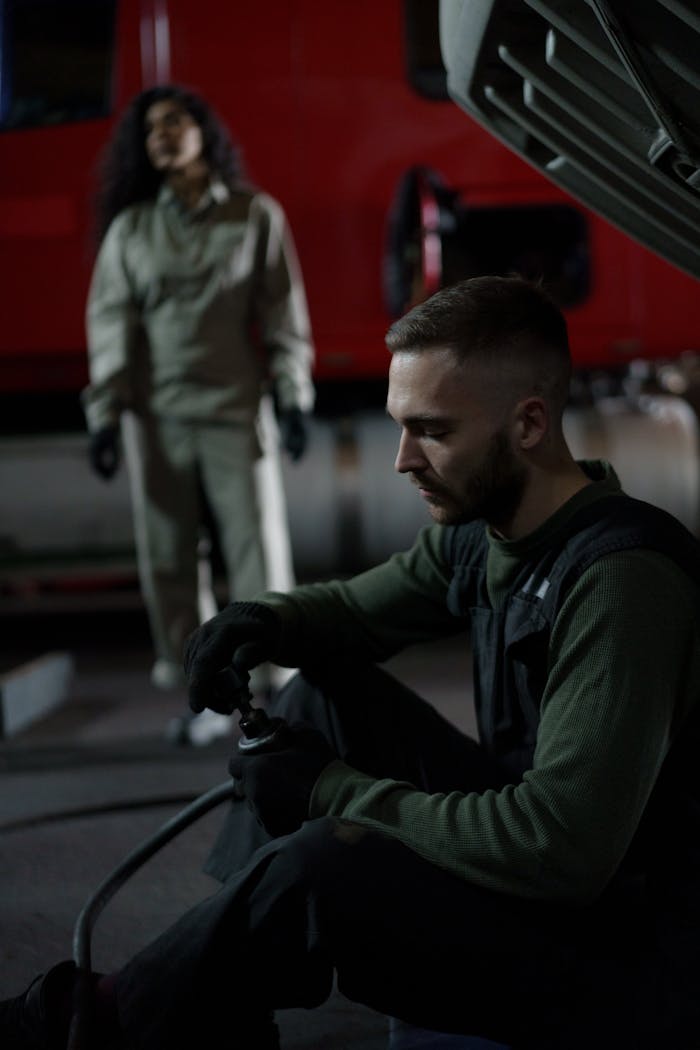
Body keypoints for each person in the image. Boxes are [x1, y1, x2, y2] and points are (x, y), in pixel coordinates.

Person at [4, 275, 700, 1049]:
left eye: (431, 431)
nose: (403, 459)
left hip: (632, 953)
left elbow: (559, 849)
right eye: (401, 427)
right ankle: (219, 991)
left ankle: (99, 1026)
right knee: (317, 699)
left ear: (529, 423)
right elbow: (358, 612)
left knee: (327, 862)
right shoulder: (489, 532)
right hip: (559, 875)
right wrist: (260, 622)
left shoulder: (622, 581)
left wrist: (336, 791)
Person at [81, 83, 315, 723]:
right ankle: (200, 694)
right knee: (168, 558)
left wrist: (294, 398)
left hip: (236, 407)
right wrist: (104, 415)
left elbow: (282, 314)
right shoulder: (131, 230)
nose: (161, 133)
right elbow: (110, 327)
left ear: (204, 132)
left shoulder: (254, 214)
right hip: (155, 419)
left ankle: (274, 683)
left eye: (174, 121)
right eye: (150, 127)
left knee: (256, 549)